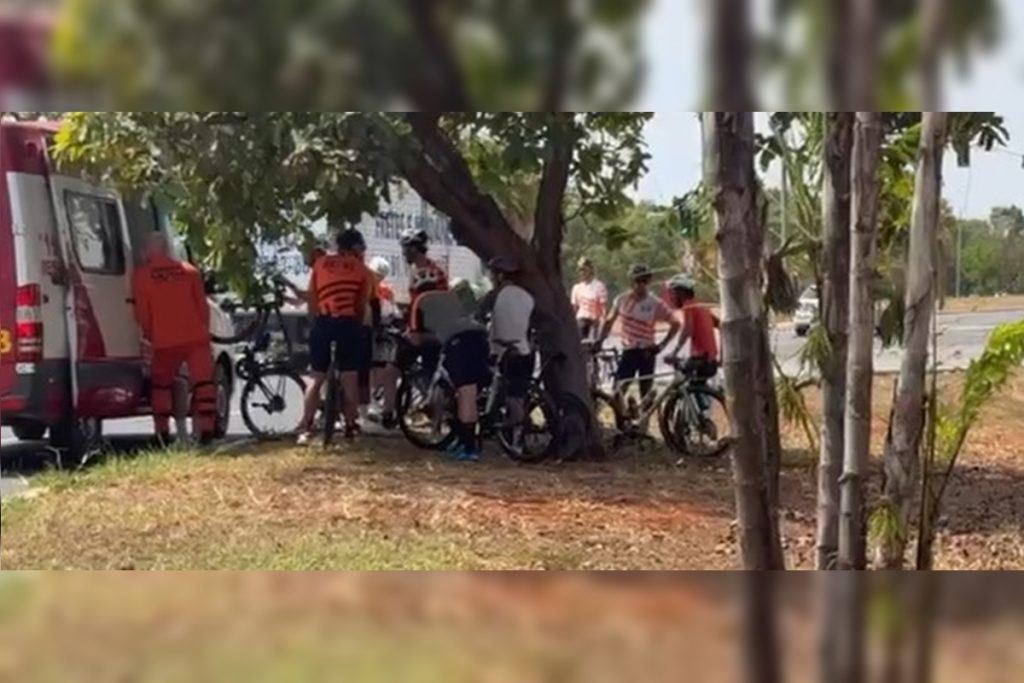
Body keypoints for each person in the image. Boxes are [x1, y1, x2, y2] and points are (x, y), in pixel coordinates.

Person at [132, 233, 218, 446]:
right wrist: (203, 332)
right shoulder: (190, 272)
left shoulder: (142, 276)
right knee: (204, 385)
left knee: (160, 387)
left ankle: (162, 434)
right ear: (167, 248)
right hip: (196, 339)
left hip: (164, 341)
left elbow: (142, 313)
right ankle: (207, 432)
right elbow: (203, 308)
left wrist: (150, 335)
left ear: (148, 250)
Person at [297, 229, 374, 444]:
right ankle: (350, 425)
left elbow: (313, 297)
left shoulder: (320, 264)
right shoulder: (362, 270)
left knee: (316, 377)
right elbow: (360, 305)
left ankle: (306, 427)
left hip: (324, 321)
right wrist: (356, 325)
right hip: (348, 324)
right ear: (355, 248)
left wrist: (315, 322)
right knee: (350, 378)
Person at [410, 287, 490, 462]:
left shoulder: (420, 300)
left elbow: (415, 338)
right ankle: (463, 441)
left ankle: (470, 448)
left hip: (458, 342)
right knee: (467, 393)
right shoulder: (453, 295)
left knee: (466, 394)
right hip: (480, 337)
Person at [597, 263, 680, 407]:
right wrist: (599, 341)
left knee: (645, 392)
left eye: (644, 281)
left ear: (648, 282)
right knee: (618, 389)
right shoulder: (621, 300)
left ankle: (643, 418)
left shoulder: (655, 303)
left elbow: (675, 323)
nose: (640, 285)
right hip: (629, 350)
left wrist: (662, 345)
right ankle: (622, 418)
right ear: (631, 281)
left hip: (647, 351)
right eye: (637, 280)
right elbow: (609, 321)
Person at [486, 256, 536, 435]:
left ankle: (504, 422)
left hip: (504, 352)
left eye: (492, 275)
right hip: (525, 350)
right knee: (519, 395)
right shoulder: (528, 296)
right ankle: (516, 438)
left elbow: (476, 315)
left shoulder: (494, 295)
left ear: (500, 276)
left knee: (507, 394)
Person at [664, 274, 720, 411]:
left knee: (679, 385)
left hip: (699, 360)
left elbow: (687, 329)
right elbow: (722, 325)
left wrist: (674, 352)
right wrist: (722, 355)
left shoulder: (689, 307)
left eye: (673, 293)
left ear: (681, 293)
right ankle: (700, 411)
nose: (671, 297)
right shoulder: (702, 307)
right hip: (710, 360)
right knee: (693, 386)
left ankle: (694, 414)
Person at [368, 256, 399, 429]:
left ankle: (375, 404)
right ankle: (371, 403)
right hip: (369, 331)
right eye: (375, 274)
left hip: (380, 332)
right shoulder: (366, 287)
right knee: (370, 369)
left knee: (379, 369)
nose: (377, 278)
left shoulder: (386, 291)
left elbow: (391, 311)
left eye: (380, 275)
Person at [400, 228, 449, 304]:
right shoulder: (415, 272)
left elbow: (441, 302)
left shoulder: (435, 273)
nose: (403, 253)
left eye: (406, 249)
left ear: (414, 249)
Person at [570, 257, 608, 342]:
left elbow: (603, 308)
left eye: (584, 270)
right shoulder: (577, 288)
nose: (582, 272)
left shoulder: (599, 286)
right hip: (581, 320)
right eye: (580, 270)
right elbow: (574, 308)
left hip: (595, 320)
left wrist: (603, 323)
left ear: (590, 270)